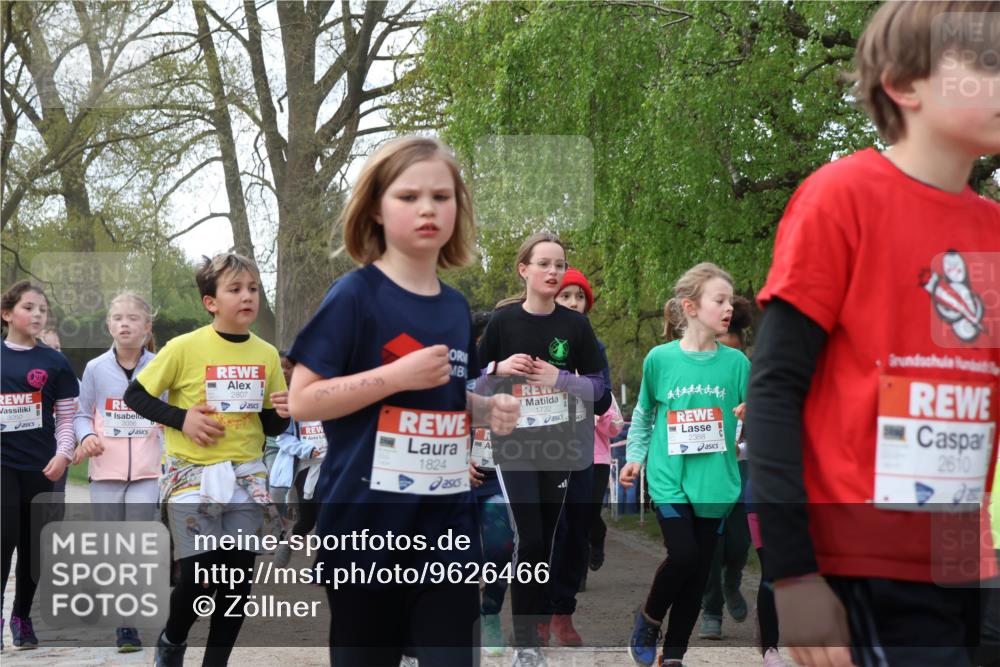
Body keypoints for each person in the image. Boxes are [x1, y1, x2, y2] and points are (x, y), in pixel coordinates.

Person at [746, 4, 1000, 667]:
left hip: (962, 561)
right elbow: (773, 390)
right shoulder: (841, 198)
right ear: (903, 84)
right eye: (988, 63)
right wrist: (791, 572)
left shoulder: (993, 230)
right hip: (857, 562)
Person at [286, 136, 519, 667]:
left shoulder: (457, 308)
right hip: (365, 529)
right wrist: (393, 375)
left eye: (442, 196)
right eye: (409, 196)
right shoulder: (354, 295)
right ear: (375, 207)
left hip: (446, 528)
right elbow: (302, 400)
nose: (427, 209)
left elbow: (438, 394)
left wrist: (483, 409)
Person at [124, 253, 290, 667]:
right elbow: (136, 395)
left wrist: (282, 413)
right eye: (235, 289)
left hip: (247, 477)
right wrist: (183, 419)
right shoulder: (184, 347)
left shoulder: (268, 354)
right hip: (191, 476)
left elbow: (270, 427)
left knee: (236, 584)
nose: (247, 296)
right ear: (210, 302)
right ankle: (172, 639)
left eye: (252, 288)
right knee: (200, 578)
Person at [478, 232, 612, 666]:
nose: (553, 271)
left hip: (558, 446)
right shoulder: (502, 323)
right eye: (545, 264)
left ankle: (531, 637)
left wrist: (561, 380)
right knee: (529, 538)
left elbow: (601, 392)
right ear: (524, 270)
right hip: (512, 444)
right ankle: (526, 645)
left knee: (545, 543)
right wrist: (496, 367)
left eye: (559, 264)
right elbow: (467, 385)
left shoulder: (575, 326)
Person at [621, 263, 749, 667]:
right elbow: (643, 415)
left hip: (716, 481)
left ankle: (673, 655)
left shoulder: (737, 364)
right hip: (669, 477)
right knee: (684, 556)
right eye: (720, 300)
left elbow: (752, 419)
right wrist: (635, 458)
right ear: (690, 307)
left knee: (697, 572)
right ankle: (649, 619)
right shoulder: (660, 359)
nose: (728, 308)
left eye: (730, 300)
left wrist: (753, 413)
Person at [73, 291, 163, 652]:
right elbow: (81, 413)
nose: (124, 324)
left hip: (147, 472)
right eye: (117, 318)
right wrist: (88, 435)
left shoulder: (160, 365)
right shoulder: (95, 368)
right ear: (109, 324)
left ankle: (128, 627)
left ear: (146, 327)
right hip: (105, 472)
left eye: (132, 318)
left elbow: (171, 413)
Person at [1, 280, 79, 650]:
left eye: (42, 310)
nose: (36, 314)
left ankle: (22, 616)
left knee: (35, 547)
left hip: (42, 467)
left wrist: (63, 454)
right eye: (28, 307)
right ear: (6, 314)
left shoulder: (55, 362)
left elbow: (66, 420)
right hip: (2, 465)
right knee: (4, 539)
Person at [549, 268, 623, 625]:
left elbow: (605, 399)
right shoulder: (532, 337)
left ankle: (569, 589)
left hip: (590, 452)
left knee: (581, 521)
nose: (574, 303)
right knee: (551, 526)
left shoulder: (596, 348)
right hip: (544, 449)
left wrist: (591, 403)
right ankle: (546, 598)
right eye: (566, 296)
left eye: (580, 298)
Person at [698, 296, 753, 640]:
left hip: (744, 468)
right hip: (706, 469)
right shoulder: (700, 371)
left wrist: (742, 444)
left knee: (738, 542)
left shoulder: (749, 371)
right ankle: (710, 609)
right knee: (710, 544)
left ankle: (732, 580)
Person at [271, 353, 324, 567]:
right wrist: (307, 449)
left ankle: (325, 564)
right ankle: (288, 540)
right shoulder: (293, 401)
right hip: (307, 466)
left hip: (334, 467)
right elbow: (282, 437)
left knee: (329, 515)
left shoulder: (337, 395)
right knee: (307, 520)